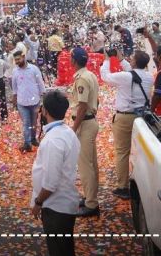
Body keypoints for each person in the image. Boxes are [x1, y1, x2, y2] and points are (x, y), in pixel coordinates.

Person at [30, 90, 80, 256]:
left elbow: (51, 183)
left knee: (59, 250)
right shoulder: (67, 132)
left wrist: (38, 202)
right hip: (64, 203)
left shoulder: (54, 140)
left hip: (56, 207)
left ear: (45, 111)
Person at [100, 50, 153, 200]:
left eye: (132, 58)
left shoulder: (125, 77)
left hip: (124, 118)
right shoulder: (149, 77)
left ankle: (122, 187)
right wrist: (121, 60)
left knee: (122, 152)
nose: (130, 59)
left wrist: (107, 60)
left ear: (134, 62)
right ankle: (144, 183)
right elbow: (133, 73)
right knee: (140, 152)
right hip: (141, 119)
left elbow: (105, 76)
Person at [69, 47, 100, 218]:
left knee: (85, 166)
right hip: (89, 121)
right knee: (91, 164)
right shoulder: (90, 75)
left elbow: (82, 106)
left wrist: (74, 128)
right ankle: (90, 197)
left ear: (74, 60)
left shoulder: (82, 78)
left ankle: (91, 204)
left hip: (85, 123)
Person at [11, 50, 45, 152]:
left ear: (23, 57)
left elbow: (40, 83)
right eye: (15, 60)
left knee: (34, 122)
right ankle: (27, 144)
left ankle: (33, 139)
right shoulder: (15, 71)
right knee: (26, 123)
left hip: (35, 101)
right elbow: (14, 87)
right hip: (22, 102)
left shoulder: (34, 69)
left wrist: (43, 98)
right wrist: (14, 100)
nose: (17, 61)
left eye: (18, 59)